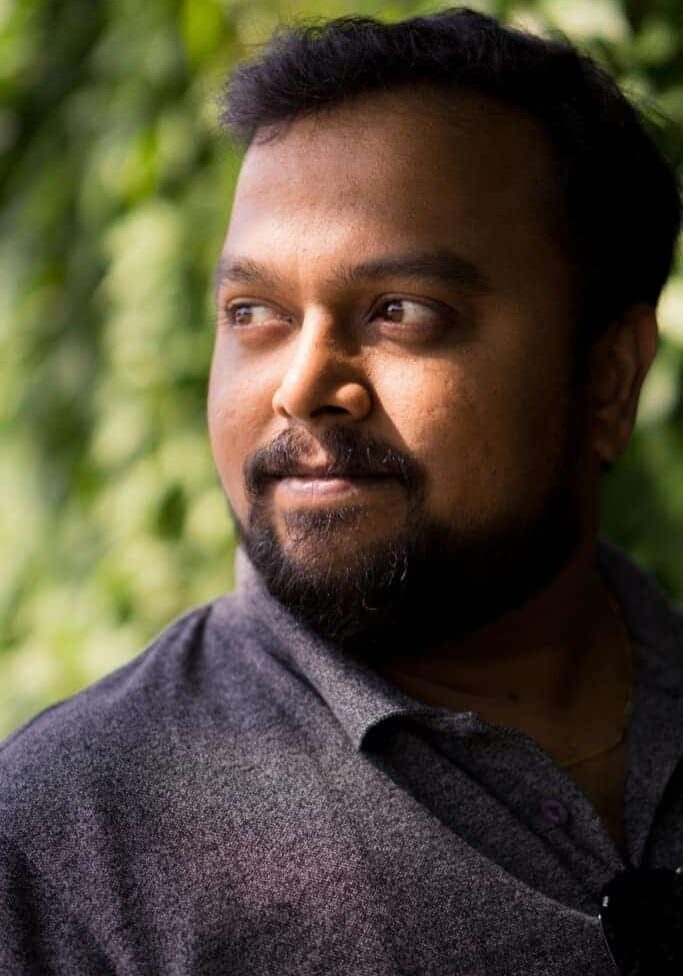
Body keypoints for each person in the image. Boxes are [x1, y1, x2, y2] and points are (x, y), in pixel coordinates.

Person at [1, 7, 681, 974]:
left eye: (400, 312)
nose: (300, 384)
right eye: (255, 313)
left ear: (608, 378)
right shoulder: (65, 843)